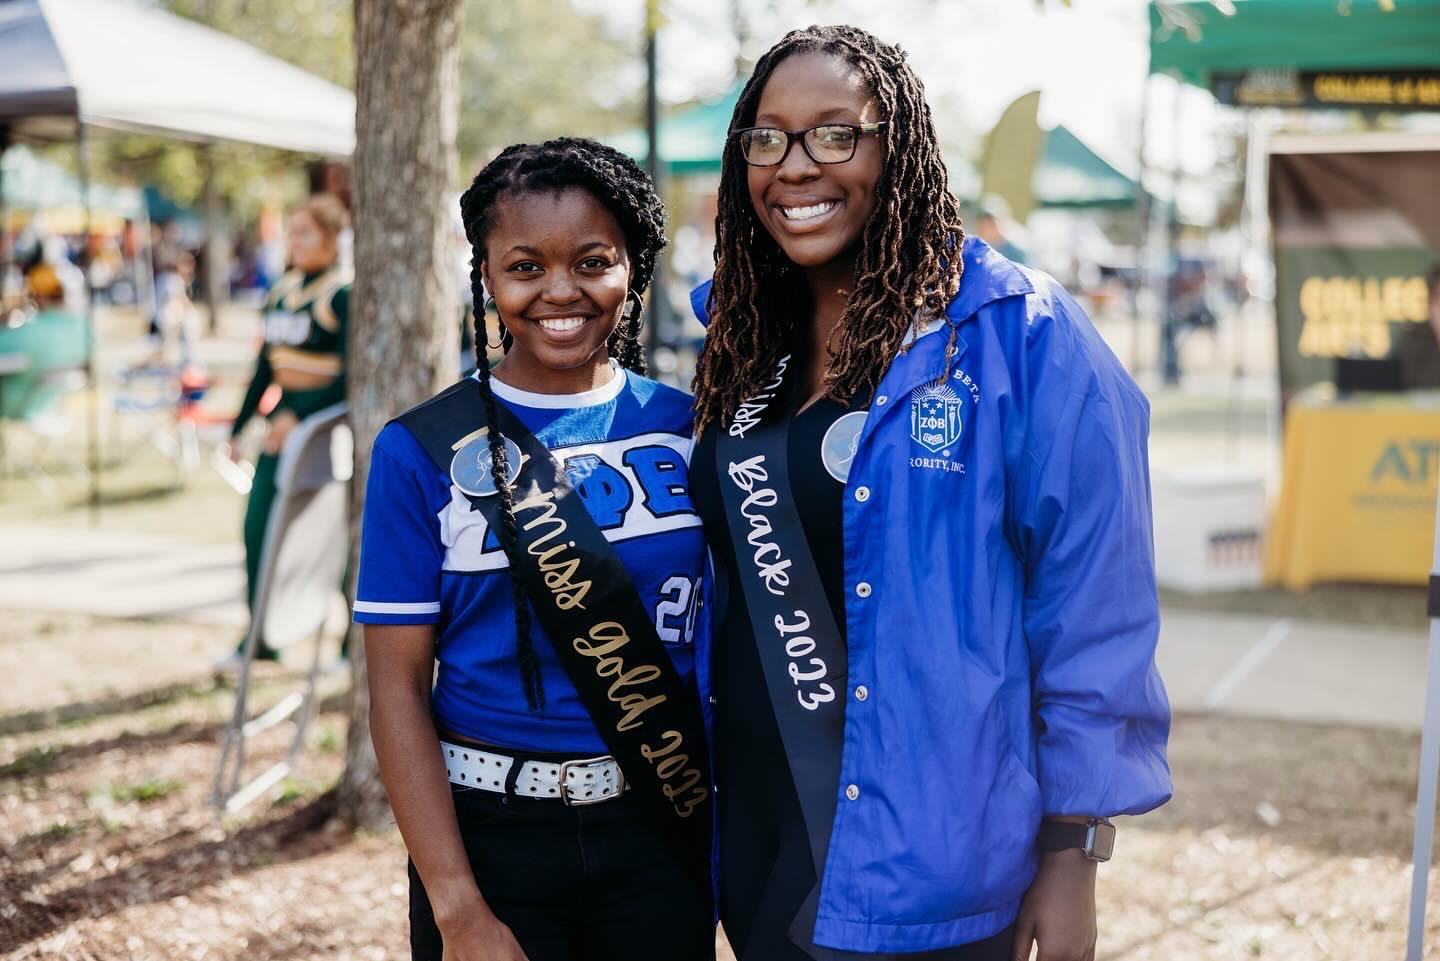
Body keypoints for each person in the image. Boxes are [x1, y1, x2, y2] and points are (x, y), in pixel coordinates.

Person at [687, 25, 1171, 961]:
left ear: (896, 142)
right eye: (769, 137)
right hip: (755, 840)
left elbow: (1094, 609)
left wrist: (1073, 850)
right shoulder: (741, 339)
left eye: (836, 133)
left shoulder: (1017, 336)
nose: (796, 165)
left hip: (931, 862)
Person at [354, 138, 715, 961]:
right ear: (486, 273)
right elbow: (398, 687)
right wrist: (456, 907)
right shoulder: (420, 450)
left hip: (659, 822)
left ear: (634, 267)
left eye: (593, 261)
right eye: (525, 266)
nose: (561, 291)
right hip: (490, 836)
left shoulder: (693, 428)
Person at [221, 193, 351, 665]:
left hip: (329, 431)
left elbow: (353, 374)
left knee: (334, 536)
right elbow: (264, 367)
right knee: (259, 528)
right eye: (290, 232)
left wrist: (303, 414)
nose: (293, 242)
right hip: (282, 430)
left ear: (333, 238)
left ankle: (346, 643)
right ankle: (258, 635)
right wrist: (240, 426)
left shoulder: (342, 292)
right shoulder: (279, 291)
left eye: (305, 232)